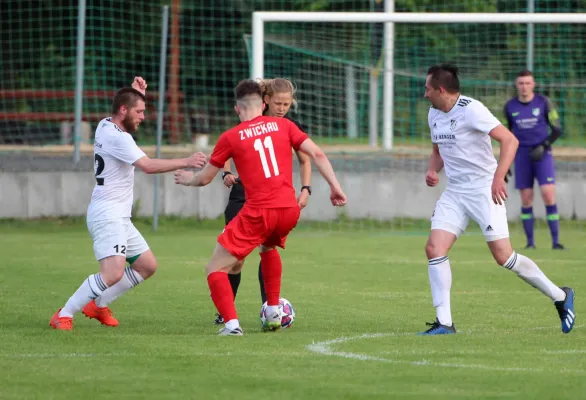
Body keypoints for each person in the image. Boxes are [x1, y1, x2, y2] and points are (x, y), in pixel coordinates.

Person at [174, 79, 346, 335]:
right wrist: (335, 187)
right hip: (289, 210)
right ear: (264, 103)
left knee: (215, 267)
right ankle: (274, 311)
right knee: (268, 246)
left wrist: (189, 180)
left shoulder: (230, 137)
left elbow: (206, 177)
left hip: (258, 211)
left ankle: (231, 324)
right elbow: (317, 154)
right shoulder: (285, 125)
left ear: (237, 109)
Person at [420, 64, 575, 335]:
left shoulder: (472, 109)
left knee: (503, 256)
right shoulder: (434, 113)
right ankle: (444, 323)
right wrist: (433, 169)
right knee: (434, 248)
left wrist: (497, 177)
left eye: (427, 88)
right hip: (455, 192)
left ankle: (560, 296)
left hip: (484, 190)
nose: (424, 94)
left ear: (441, 89)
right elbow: (438, 149)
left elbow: (509, 140)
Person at [50, 77, 207, 330]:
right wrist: (186, 161)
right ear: (123, 110)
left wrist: (135, 93)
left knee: (147, 266)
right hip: (108, 214)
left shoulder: (104, 125)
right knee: (112, 273)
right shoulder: (120, 139)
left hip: (119, 216)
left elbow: (124, 104)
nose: (143, 117)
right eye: (139, 111)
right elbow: (147, 166)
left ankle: (98, 305)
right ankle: (64, 313)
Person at [504, 70, 564, 250]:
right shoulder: (509, 107)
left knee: (548, 194)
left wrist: (543, 146)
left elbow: (557, 129)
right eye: (521, 83)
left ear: (533, 84)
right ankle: (530, 243)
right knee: (526, 198)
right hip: (521, 155)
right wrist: (505, 162)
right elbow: (506, 136)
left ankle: (555, 242)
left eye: (527, 83)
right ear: (516, 85)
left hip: (542, 154)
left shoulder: (544, 103)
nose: (524, 86)